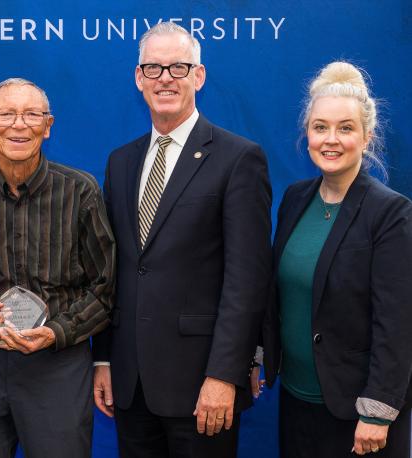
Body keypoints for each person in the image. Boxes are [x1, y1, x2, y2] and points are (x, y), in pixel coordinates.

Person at [91, 22, 272, 457]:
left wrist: (225, 374)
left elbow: (247, 279)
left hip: (201, 385)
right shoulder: (121, 162)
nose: (165, 78)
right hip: (131, 383)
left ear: (199, 76)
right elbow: (113, 269)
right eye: (153, 68)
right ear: (139, 79)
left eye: (178, 67)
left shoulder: (238, 158)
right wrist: (103, 358)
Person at [0, 77, 116, 458]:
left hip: (57, 362)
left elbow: (105, 289)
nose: (19, 125)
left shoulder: (81, 192)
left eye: (31, 114)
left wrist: (55, 332)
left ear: (48, 125)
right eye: (7, 114)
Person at [261, 61, 412, 457]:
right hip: (297, 399)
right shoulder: (295, 198)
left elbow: (397, 323)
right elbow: (280, 295)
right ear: (307, 134)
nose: (331, 139)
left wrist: (378, 412)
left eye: (346, 128)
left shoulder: (391, 213)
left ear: (367, 137)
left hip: (359, 412)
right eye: (320, 127)